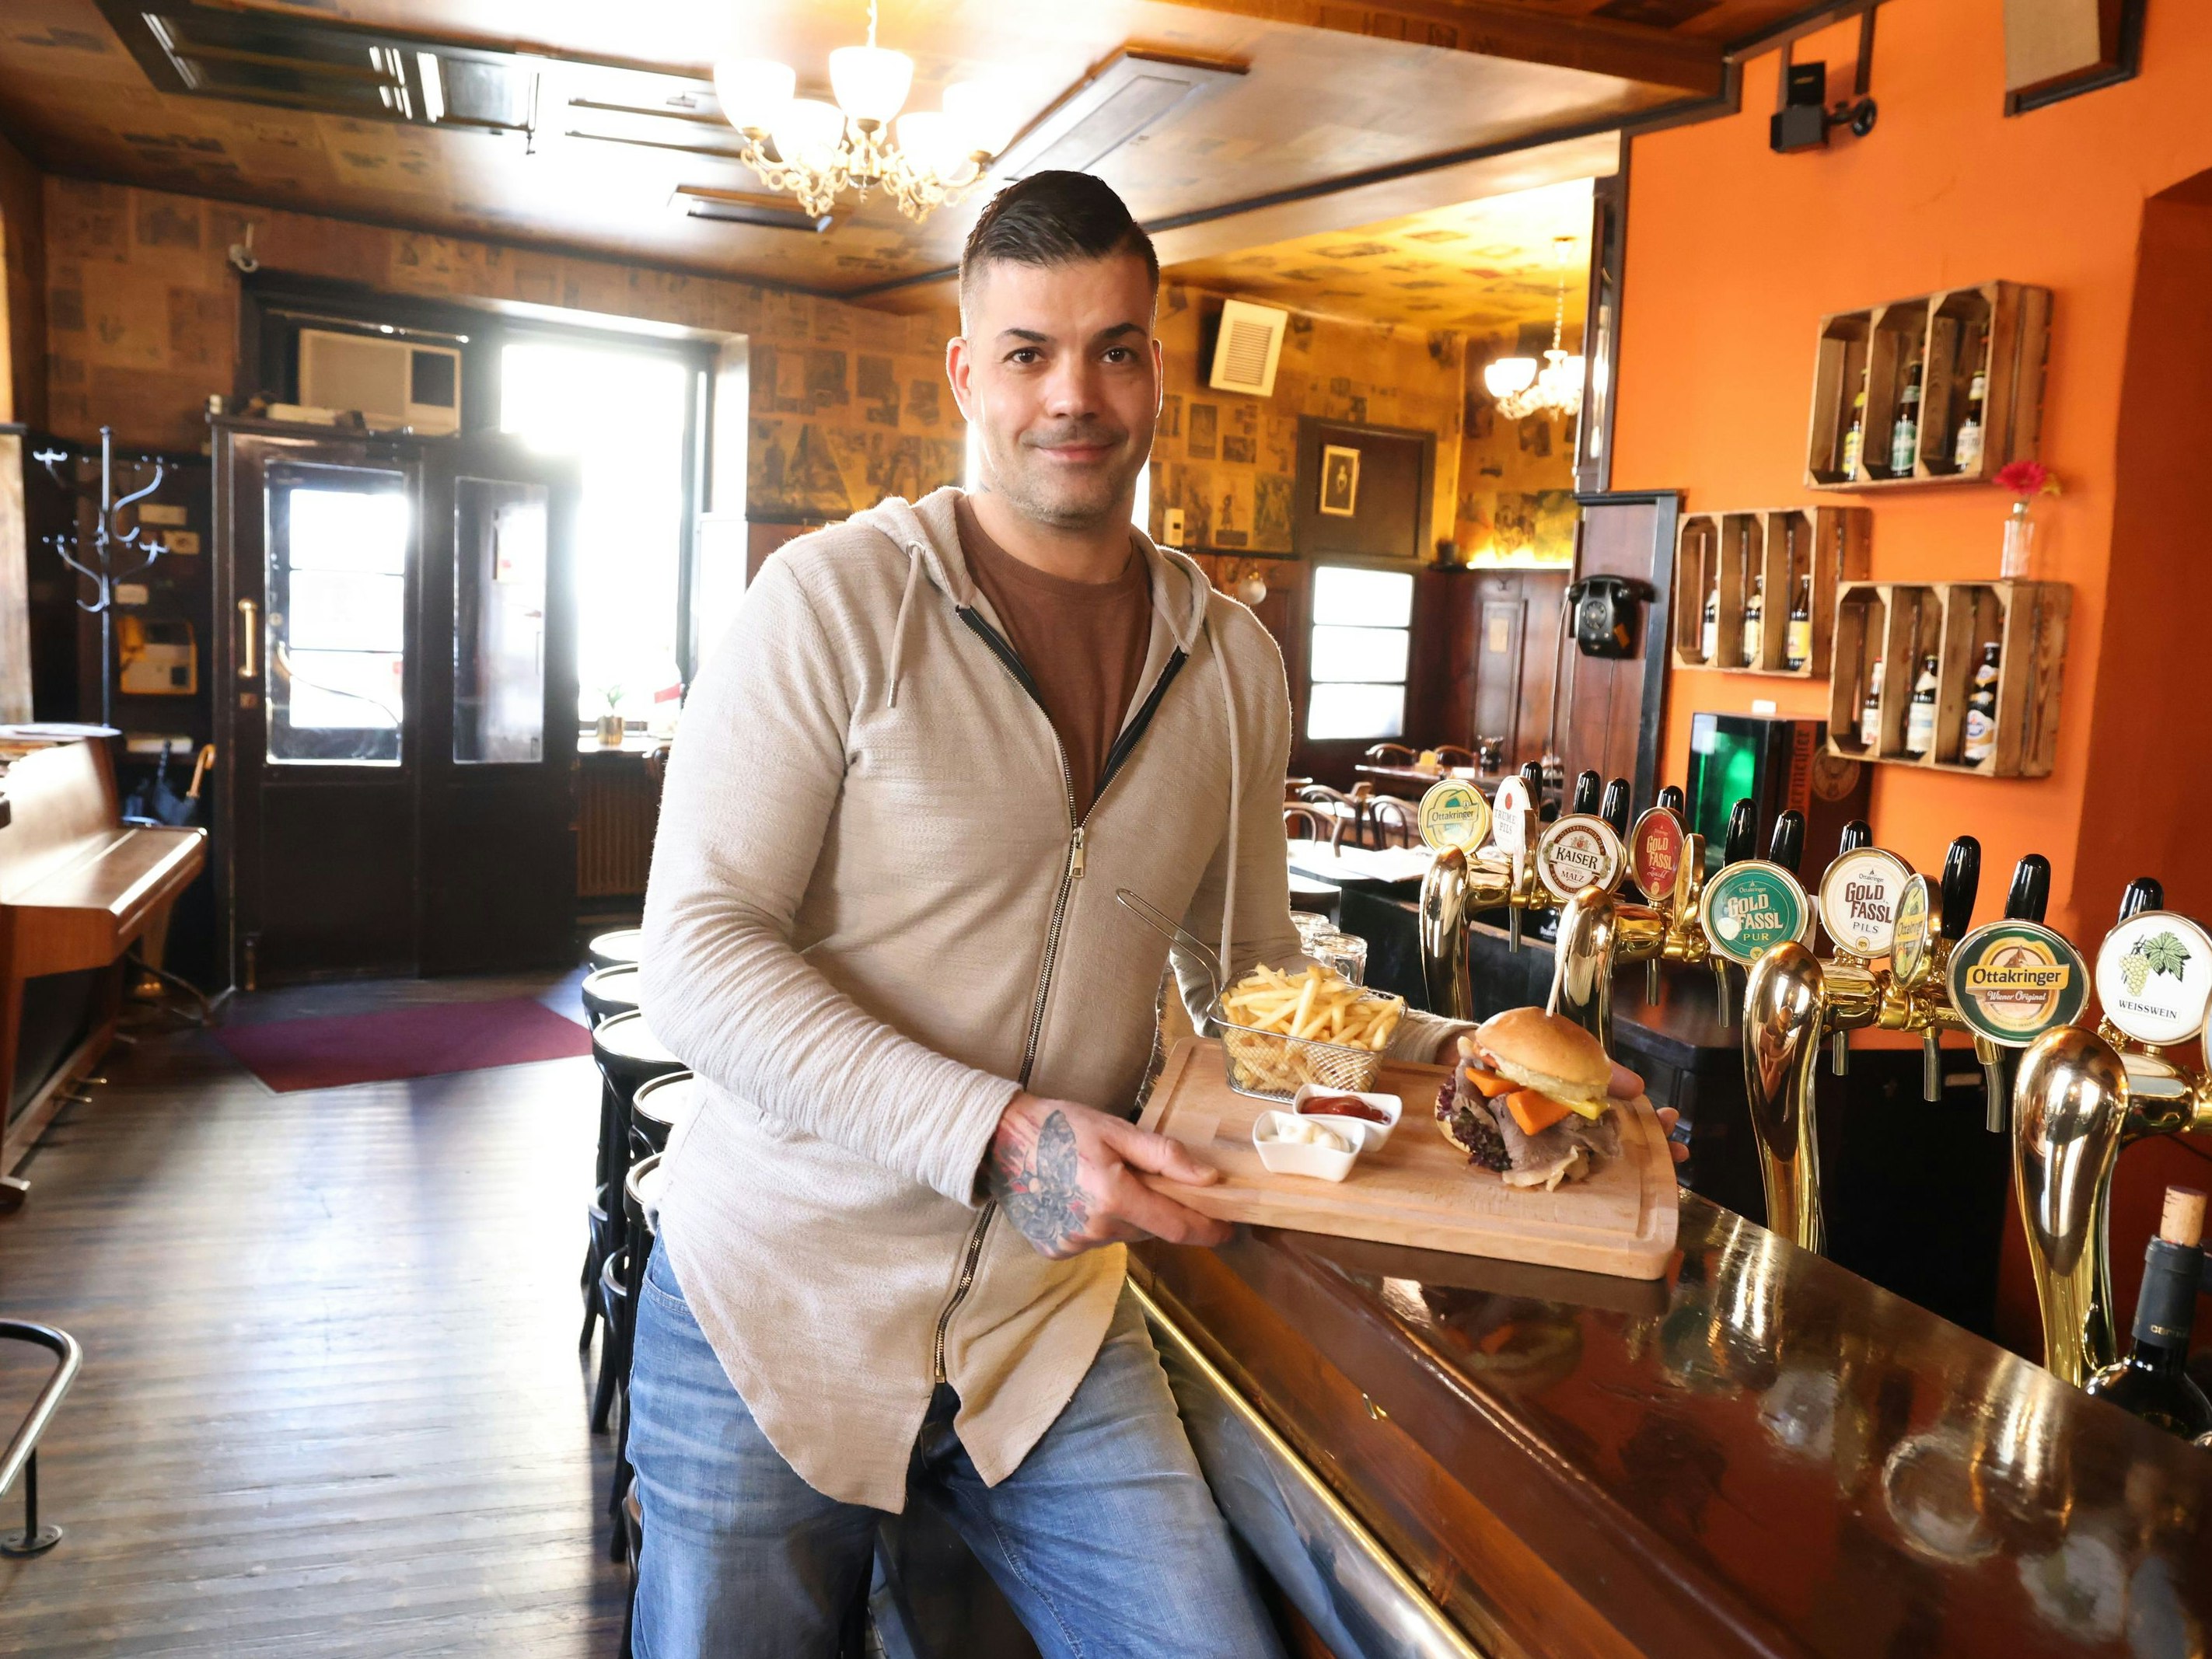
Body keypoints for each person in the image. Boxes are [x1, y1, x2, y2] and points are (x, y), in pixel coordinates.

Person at [631, 170, 1649, 1657]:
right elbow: (702, 960)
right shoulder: (830, 601)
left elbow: (1251, 977)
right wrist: (1000, 1130)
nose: (1074, 394)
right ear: (966, 372)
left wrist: (1469, 1050)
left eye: (1113, 347)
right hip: (775, 1300)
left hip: (1044, 1320)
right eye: (1030, 351)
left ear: (1157, 368)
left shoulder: (1229, 659)